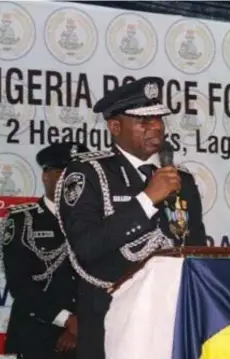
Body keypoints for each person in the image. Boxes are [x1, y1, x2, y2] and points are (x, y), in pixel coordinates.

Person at [56, 77, 208, 359]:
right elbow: (87, 247)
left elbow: (196, 246)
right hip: (110, 313)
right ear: (115, 127)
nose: (156, 128)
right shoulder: (87, 173)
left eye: (158, 120)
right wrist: (147, 199)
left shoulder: (181, 180)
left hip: (170, 313)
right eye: (143, 121)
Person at [0, 142, 89, 359]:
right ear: (45, 176)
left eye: (76, 175)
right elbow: (20, 285)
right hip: (39, 335)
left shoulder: (98, 220)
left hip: (91, 335)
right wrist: (68, 320)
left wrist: (84, 325)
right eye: (61, 173)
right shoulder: (21, 221)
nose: (69, 182)